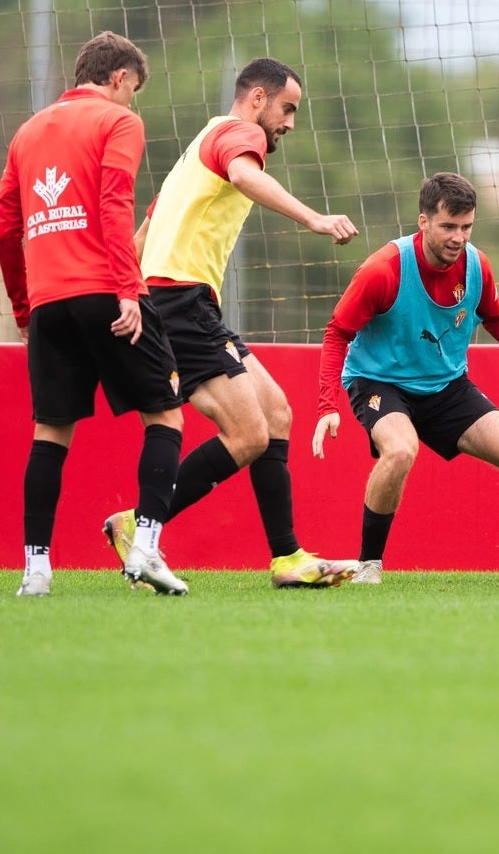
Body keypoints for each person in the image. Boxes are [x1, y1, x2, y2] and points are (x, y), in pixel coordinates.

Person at [100, 57, 363, 589]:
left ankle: (287, 558)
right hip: (179, 300)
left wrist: (117, 293)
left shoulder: (203, 142)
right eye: (287, 109)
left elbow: (146, 229)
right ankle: (139, 524)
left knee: (277, 415)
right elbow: (244, 175)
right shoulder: (243, 135)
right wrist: (314, 218)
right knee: (247, 434)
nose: (289, 123)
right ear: (258, 98)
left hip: (181, 301)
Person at [311, 172, 499, 584]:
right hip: (378, 383)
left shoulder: (476, 265)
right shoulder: (383, 270)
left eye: (466, 226)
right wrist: (328, 405)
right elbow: (337, 334)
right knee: (401, 451)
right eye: (448, 227)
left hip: (446, 387)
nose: (458, 237)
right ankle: (369, 565)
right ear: (423, 222)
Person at [0, 31, 189, 597]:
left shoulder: (27, 132)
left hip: (50, 303)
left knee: (50, 432)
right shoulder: (117, 122)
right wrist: (129, 289)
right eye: (134, 91)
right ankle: (146, 548)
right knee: (165, 415)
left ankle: (35, 569)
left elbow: (5, 227)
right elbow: (113, 201)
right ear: (121, 78)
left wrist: (24, 305)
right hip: (108, 292)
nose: (133, 103)